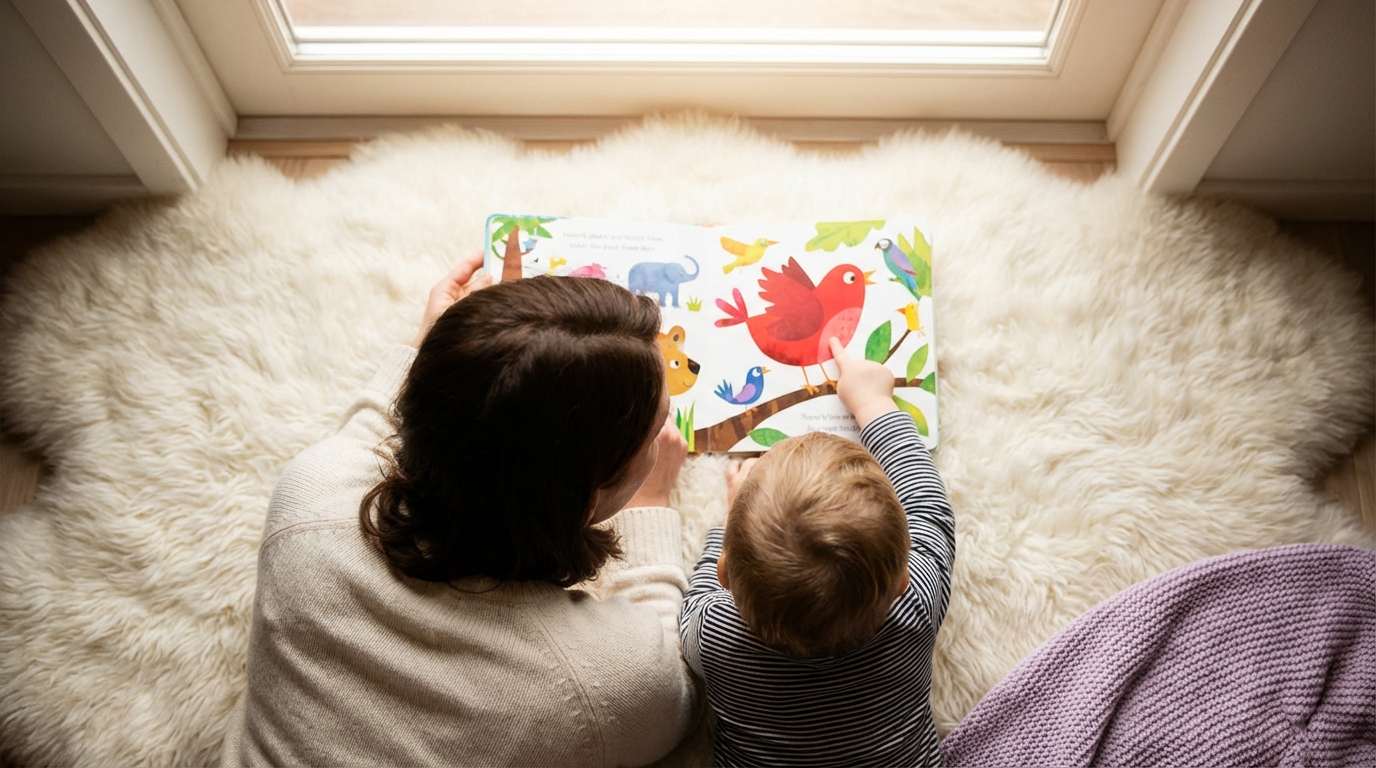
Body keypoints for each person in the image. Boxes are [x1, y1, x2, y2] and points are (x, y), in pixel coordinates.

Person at [221, 253, 699, 767]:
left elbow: (372, 427)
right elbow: (673, 700)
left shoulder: (310, 499)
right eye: (654, 431)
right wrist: (650, 506)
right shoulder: (595, 681)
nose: (659, 441)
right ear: (585, 500)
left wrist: (449, 351)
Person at [679, 337, 956, 767]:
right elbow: (927, 504)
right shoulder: (914, 608)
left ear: (727, 575)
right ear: (903, 576)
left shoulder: (718, 639)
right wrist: (872, 405)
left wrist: (726, 524)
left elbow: (695, 604)